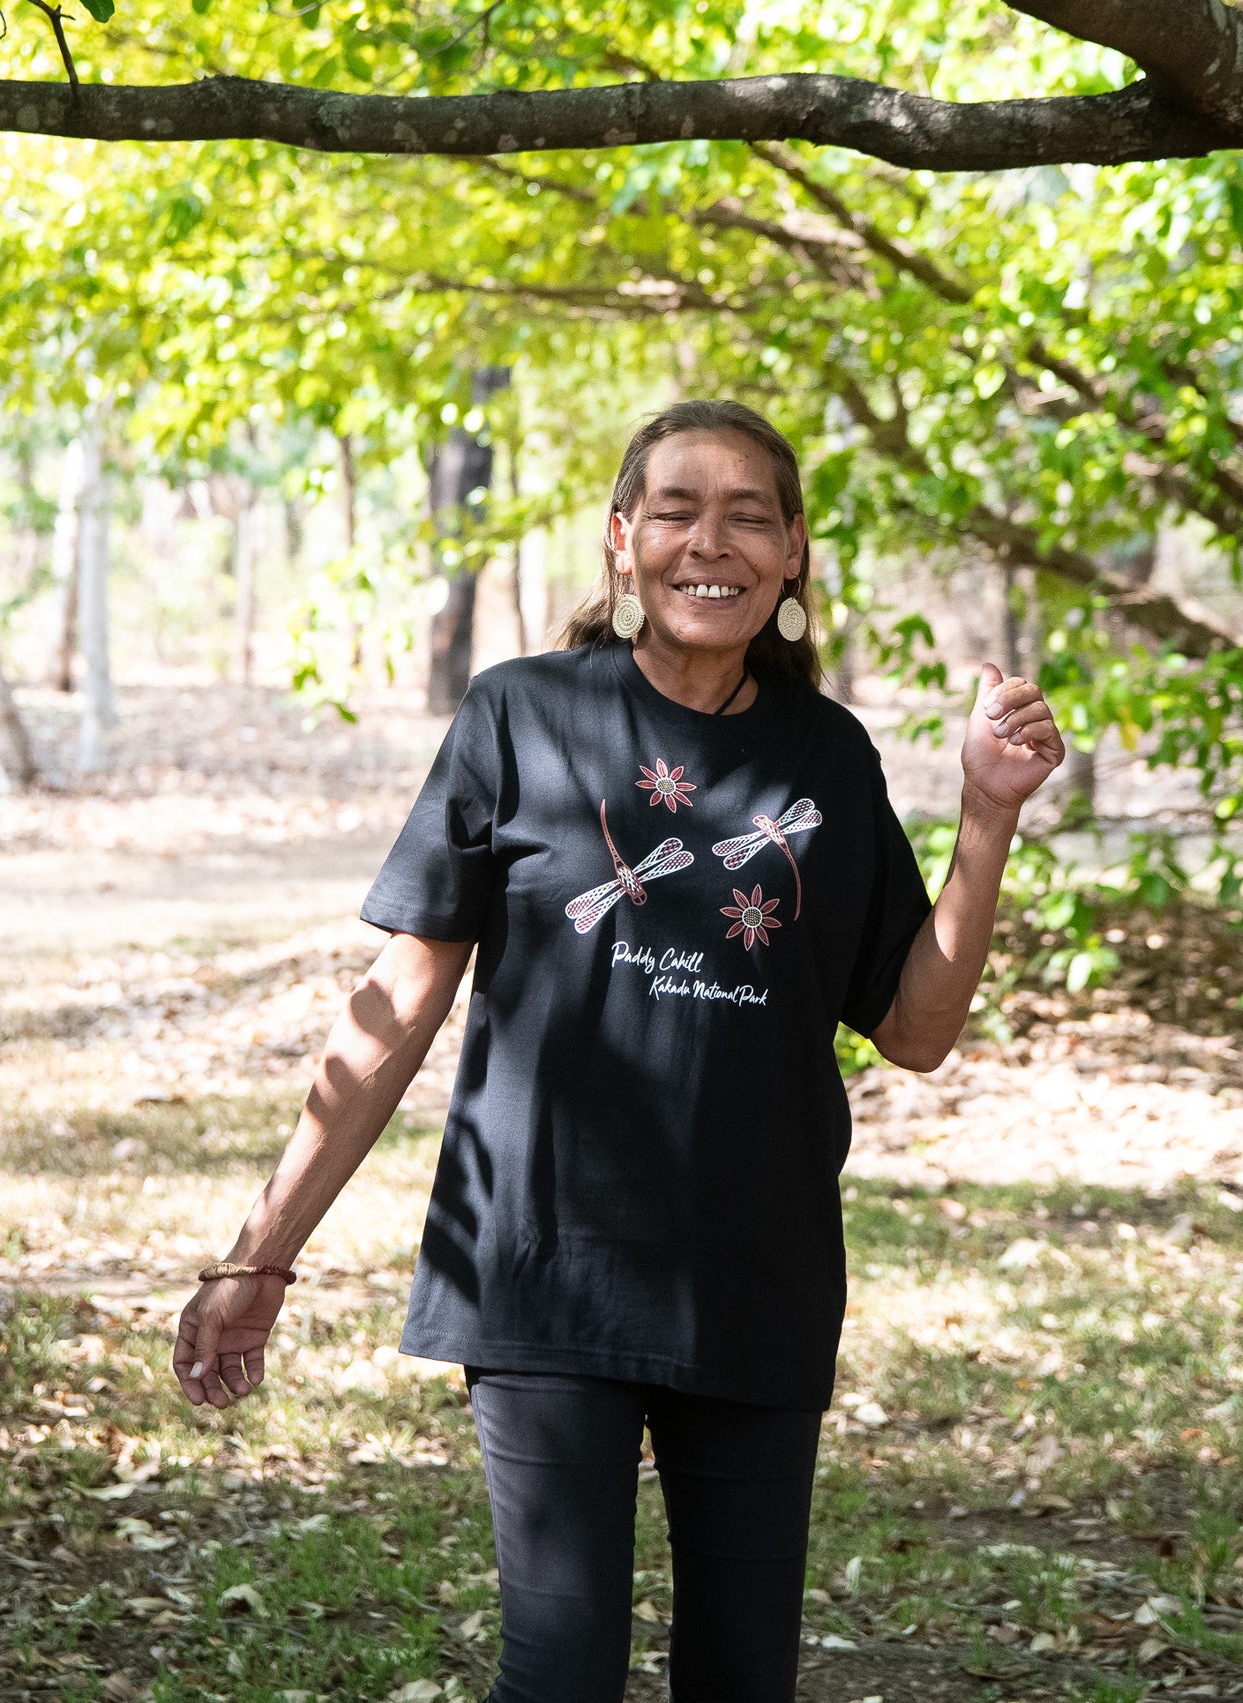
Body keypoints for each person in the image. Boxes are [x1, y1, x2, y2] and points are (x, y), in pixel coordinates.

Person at [172, 399, 1064, 1702]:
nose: (714, 544)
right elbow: (399, 1002)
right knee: (559, 1675)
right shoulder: (519, 716)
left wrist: (987, 817)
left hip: (755, 1274)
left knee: (741, 1678)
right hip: (543, 1268)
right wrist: (261, 1256)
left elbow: (915, 1031)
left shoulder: (824, 753)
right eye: (678, 511)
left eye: (749, 516)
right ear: (620, 542)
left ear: (794, 553)